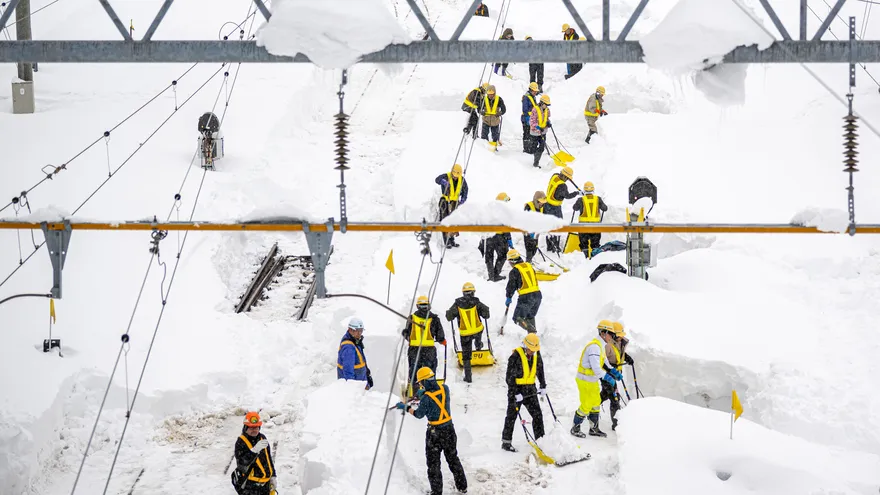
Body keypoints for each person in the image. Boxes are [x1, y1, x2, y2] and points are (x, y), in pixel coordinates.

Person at [394, 368, 468, 494]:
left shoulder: (426, 399)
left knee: (433, 465)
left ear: (423, 382)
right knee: (453, 458)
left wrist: (406, 408)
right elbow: (436, 394)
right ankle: (462, 486)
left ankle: (436, 491)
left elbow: (418, 414)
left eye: (421, 383)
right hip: (449, 430)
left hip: (435, 434)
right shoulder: (445, 389)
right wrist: (425, 393)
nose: (421, 385)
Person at [571, 320, 623, 438]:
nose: (612, 337)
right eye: (611, 334)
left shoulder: (601, 346)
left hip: (592, 380)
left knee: (595, 403)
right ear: (603, 333)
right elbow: (596, 368)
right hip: (584, 380)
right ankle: (575, 427)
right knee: (587, 404)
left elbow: (605, 363)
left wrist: (613, 371)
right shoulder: (594, 347)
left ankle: (594, 429)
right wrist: (608, 378)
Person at [501, 334, 546, 452]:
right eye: (531, 349)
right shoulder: (515, 357)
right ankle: (506, 442)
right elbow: (509, 377)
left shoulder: (536, 355)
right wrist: (516, 393)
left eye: (534, 350)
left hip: (530, 390)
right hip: (516, 391)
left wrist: (542, 385)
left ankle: (540, 440)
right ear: (525, 346)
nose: (532, 352)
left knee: (537, 415)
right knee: (511, 416)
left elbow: (540, 370)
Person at [445, 282, 491, 383]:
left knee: (466, 355)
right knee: (478, 337)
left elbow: (449, 317)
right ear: (473, 292)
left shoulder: (458, 304)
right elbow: (486, 313)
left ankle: (468, 376)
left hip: (465, 333)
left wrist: (449, 313)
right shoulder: (476, 302)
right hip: (477, 330)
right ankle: (478, 344)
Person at [403, 296, 446, 391]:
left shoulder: (412, 318)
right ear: (429, 306)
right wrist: (442, 341)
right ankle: (430, 390)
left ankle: (415, 390)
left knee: (414, 369)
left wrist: (409, 339)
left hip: (414, 350)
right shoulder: (434, 319)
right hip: (429, 350)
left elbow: (406, 333)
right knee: (429, 370)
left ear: (417, 306)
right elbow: (440, 336)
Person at [232, 412, 277, 495]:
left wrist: (273, 475)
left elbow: (268, 459)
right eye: (251, 428)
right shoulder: (241, 442)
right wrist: (254, 451)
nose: (254, 430)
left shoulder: (262, 438)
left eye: (256, 427)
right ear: (245, 428)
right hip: (251, 487)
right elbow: (242, 464)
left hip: (266, 486)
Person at [601, 321, 630, 430]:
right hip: (607, 375)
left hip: (615, 374)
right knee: (614, 398)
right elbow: (601, 360)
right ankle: (616, 424)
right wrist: (609, 367)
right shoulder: (607, 345)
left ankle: (591, 409)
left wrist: (627, 358)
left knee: (604, 395)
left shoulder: (620, 342)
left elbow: (619, 352)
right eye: (618, 335)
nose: (620, 338)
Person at [504, 250, 541, 333]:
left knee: (517, 317)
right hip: (538, 295)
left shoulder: (515, 271)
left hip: (527, 297)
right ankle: (532, 336)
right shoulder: (529, 266)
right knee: (530, 316)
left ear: (512, 261)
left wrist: (508, 297)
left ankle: (532, 330)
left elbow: (511, 286)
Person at [543, 166, 578, 253]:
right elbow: (567, 196)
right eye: (567, 178)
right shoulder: (562, 186)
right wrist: (577, 193)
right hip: (554, 209)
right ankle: (555, 246)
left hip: (546, 205)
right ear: (565, 177)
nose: (567, 180)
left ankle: (549, 246)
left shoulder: (554, 176)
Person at [572, 181, 608, 258]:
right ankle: (595, 259)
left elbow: (575, 208)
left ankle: (585, 259)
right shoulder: (597, 199)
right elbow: (605, 208)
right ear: (593, 190)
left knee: (584, 245)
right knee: (595, 245)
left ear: (584, 190)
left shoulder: (581, 200)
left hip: (583, 227)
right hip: (595, 227)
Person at [482, 192, 513, 281]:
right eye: (506, 201)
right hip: (498, 237)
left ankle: (491, 276)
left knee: (489, 256)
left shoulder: (489, 209)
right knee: (503, 255)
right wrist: (509, 238)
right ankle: (496, 274)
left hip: (487, 236)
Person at [436, 164, 468, 248]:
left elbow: (465, 190)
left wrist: (463, 200)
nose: (455, 177)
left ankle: (452, 240)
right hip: (445, 202)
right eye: (454, 175)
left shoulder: (462, 180)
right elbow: (437, 179)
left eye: (457, 176)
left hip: (455, 203)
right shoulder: (446, 176)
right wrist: (443, 182)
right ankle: (446, 241)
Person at [337, 317, 373, 390]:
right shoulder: (348, 347)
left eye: (361, 331)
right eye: (357, 331)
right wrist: (352, 390)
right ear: (350, 330)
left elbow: (360, 360)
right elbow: (348, 371)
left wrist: (367, 374)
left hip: (360, 382)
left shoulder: (355, 340)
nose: (359, 333)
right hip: (356, 387)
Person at [480, 85, 507, 152]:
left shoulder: (499, 99)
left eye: (492, 94)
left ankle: (494, 148)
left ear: (494, 93)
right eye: (489, 94)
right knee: (484, 136)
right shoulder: (484, 99)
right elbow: (479, 108)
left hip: (495, 121)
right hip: (486, 120)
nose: (490, 96)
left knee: (495, 136)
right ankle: (484, 149)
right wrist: (481, 112)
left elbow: (504, 109)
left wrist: (499, 113)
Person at [528, 93, 551, 169]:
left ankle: (536, 162)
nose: (546, 106)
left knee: (541, 148)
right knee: (533, 149)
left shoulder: (547, 110)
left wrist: (548, 123)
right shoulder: (535, 110)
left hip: (543, 132)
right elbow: (531, 122)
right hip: (534, 133)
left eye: (547, 105)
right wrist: (538, 127)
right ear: (542, 103)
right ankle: (535, 156)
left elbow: (547, 119)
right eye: (546, 104)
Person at [523, 191, 546, 262]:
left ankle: (530, 260)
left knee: (535, 248)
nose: (542, 203)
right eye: (540, 202)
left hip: (536, 232)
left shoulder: (542, 207)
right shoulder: (528, 207)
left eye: (543, 202)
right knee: (529, 248)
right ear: (536, 201)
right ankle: (528, 262)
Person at [521, 82, 541, 153]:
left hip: (531, 119)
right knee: (526, 133)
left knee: (531, 134)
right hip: (526, 118)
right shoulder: (526, 98)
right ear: (530, 90)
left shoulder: (533, 97)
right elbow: (525, 109)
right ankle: (526, 149)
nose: (535, 92)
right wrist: (527, 118)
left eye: (536, 91)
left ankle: (531, 148)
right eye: (534, 91)